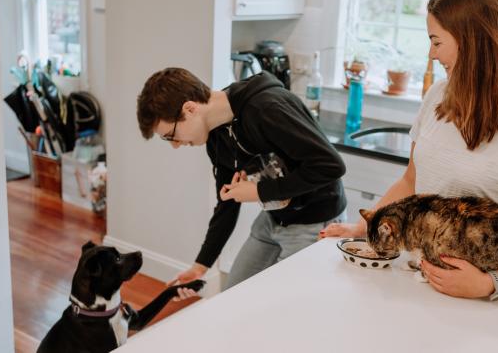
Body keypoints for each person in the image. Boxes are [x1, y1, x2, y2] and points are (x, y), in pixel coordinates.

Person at [321, 0, 498, 299]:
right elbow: (410, 181)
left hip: (496, 302)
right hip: (424, 285)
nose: (431, 54)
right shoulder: (437, 96)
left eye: (436, 41)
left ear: (471, 42)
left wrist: (491, 283)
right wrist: (364, 229)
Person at [137, 69, 347, 298]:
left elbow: (331, 166)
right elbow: (227, 202)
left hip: (315, 222)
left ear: (190, 108)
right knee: (232, 299)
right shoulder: (216, 135)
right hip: (272, 220)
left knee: (287, 311)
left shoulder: (268, 108)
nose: (175, 145)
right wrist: (201, 266)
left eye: (171, 135)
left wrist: (259, 191)